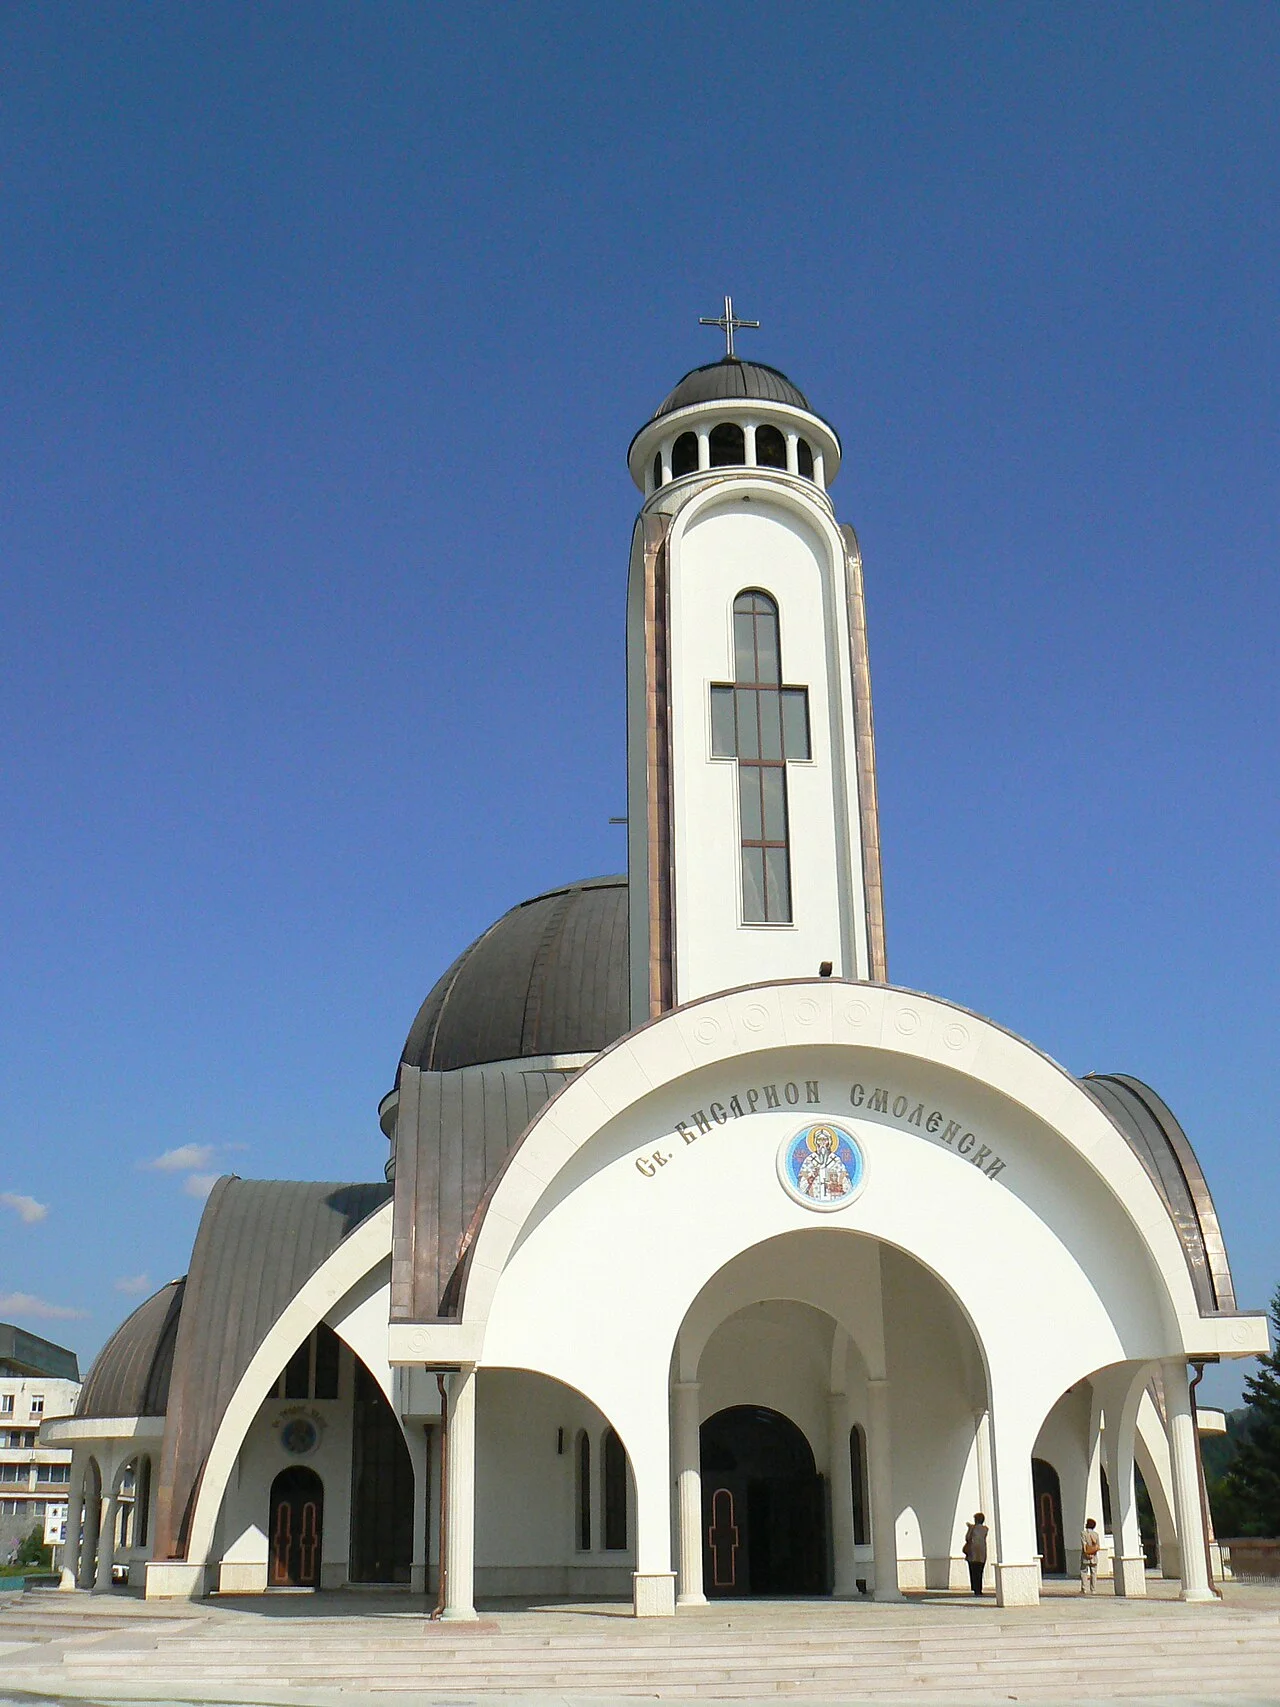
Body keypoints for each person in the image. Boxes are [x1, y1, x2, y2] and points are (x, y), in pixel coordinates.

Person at [962, 1512, 989, 1596]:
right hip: (982, 1553)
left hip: (973, 1552)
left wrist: (970, 1528)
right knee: (980, 1571)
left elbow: (967, 1538)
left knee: (973, 1571)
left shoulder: (973, 1528)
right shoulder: (985, 1529)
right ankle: (979, 1589)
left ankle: (975, 1588)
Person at [1080, 1517, 1101, 1593]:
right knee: (1094, 1573)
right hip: (1094, 1556)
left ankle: (1084, 1588)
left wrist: (1086, 1553)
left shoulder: (1083, 1533)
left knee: (1084, 1572)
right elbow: (1098, 1546)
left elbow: (1084, 1544)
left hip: (1085, 1556)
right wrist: (1093, 1554)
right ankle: (1093, 1589)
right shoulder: (1096, 1534)